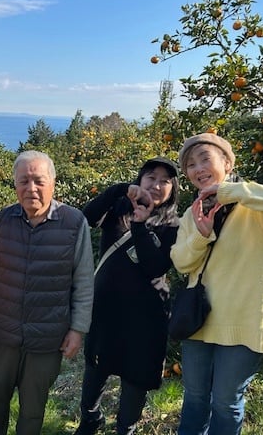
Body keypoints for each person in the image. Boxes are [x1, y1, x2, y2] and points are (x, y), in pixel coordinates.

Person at [170, 133, 263, 435]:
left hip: (243, 324)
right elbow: (181, 262)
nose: (197, 168)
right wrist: (201, 236)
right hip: (198, 322)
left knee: (225, 402)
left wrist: (230, 192)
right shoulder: (193, 214)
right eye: (190, 164)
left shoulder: (256, 207)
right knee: (194, 399)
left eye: (205, 159)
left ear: (228, 164)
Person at [0, 150, 95, 435]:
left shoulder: (73, 223)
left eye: (39, 181)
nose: (31, 188)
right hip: (3, 332)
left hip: (47, 337)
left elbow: (83, 281)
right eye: (23, 181)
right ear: (15, 184)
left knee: (32, 410)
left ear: (53, 182)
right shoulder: (3, 220)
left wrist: (78, 329)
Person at [74, 157, 181, 435]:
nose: (156, 185)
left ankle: (126, 429)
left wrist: (140, 226)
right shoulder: (120, 207)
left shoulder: (174, 226)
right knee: (96, 367)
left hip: (147, 316)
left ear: (173, 189)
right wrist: (120, 190)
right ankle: (90, 419)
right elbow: (86, 218)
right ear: (140, 180)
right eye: (151, 177)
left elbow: (155, 266)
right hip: (107, 309)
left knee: (136, 377)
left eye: (165, 181)